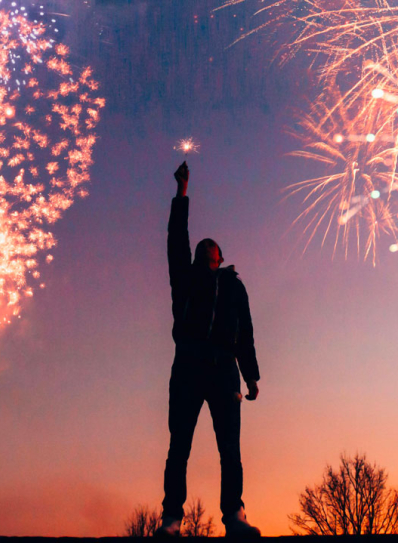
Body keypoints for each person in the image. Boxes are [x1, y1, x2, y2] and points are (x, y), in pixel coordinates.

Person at [156, 161, 261, 538]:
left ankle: (234, 515)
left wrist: (251, 374)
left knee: (229, 449)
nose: (203, 250)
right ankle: (171, 519)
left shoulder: (234, 287)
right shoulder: (184, 279)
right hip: (188, 364)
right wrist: (182, 192)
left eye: (208, 249)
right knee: (179, 445)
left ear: (219, 258)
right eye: (199, 249)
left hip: (223, 370)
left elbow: (245, 332)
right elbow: (175, 238)